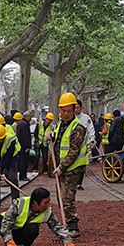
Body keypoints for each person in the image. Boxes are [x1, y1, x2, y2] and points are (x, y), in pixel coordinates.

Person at [0, 187, 80, 246]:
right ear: (35, 202)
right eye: (45, 202)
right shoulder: (19, 204)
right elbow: (6, 224)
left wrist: (69, 244)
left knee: (33, 227)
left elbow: (58, 228)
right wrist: (10, 244)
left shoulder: (47, 212)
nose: (47, 205)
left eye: (48, 202)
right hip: (9, 233)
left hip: (22, 235)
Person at [47, 92, 87, 237]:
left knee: (67, 198)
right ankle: (67, 221)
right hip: (61, 167)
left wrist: (61, 167)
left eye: (68, 111)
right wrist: (51, 134)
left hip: (72, 168)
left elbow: (73, 152)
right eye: (63, 111)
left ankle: (73, 226)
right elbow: (58, 140)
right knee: (60, 196)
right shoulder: (61, 125)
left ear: (74, 110)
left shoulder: (77, 127)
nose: (65, 114)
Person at [74, 99, 95, 191]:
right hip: (70, 147)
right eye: (74, 107)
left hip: (82, 147)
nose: (76, 109)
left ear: (81, 108)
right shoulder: (68, 118)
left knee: (81, 166)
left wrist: (92, 141)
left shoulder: (86, 118)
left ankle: (79, 184)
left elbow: (91, 130)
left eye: (78, 107)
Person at [16, 111, 33, 181]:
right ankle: (23, 176)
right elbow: (26, 136)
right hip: (24, 147)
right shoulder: (25, 124)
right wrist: (27, 147)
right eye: (30, 117)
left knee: (21, 161)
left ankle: (21, 175)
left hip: (20, 146)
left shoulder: (20, 123)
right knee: (24, 161)